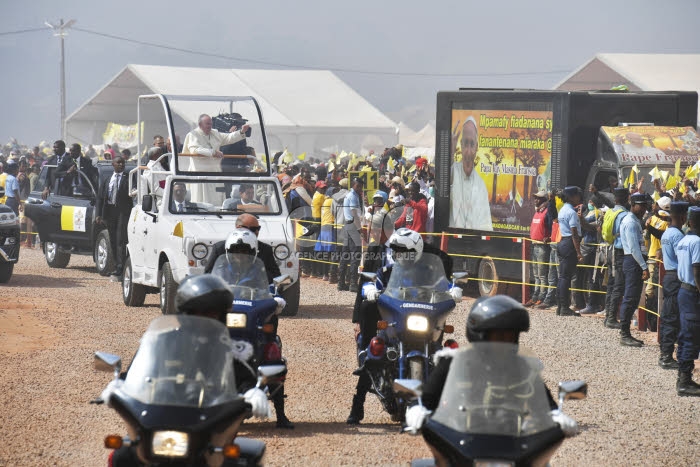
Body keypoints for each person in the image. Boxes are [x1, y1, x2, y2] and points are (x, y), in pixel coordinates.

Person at [404, 296, 578, 463]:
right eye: (498, 336)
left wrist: (557, 416)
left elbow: (545, 406)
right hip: (461, 443)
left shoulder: (522, 368)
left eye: (510, 337)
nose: (504, 343)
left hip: (514, 444)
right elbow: (425, 399)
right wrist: (415, 411)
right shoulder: (452, 363)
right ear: (479, 335)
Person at [346, 228, 457, 425]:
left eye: (401, 250)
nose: (396, 254)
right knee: (373, 355)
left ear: (415, 250)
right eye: (395, 250)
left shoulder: (429, 271)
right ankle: (357, 405)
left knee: (442, 354)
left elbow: (444, 284)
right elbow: (372, 282)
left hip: (424, 318)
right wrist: (370, 290)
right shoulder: (387, 270)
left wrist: (453, 290)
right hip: (395, 320)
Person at [182, 114, 250, 203]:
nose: (210, 126)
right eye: (207, 124)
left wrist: (241, 132)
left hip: (215, 173)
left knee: (217, 200)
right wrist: (213, 152)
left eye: (211, 124)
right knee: (201, 201)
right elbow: (195, 150)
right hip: (200, 175)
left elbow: (228, 138)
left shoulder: (214, 133)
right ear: (200, 125)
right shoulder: (193, 135)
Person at [673, 206, 700, 396]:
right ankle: (684, 381)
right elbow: (697, 270)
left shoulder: (683, 240)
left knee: (685, 335)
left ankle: (683, 378)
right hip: (692, 292)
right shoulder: (697, 242)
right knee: (691, 336)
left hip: (683, 290)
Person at [618, 193, 650, 347]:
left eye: (645, 206)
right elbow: (634, 248)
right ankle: (624, 334)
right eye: (641, 205)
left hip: (634, 261)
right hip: (633, 261)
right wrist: (644, 267)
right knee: (630, 298)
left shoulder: (635, 221)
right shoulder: (630, 222)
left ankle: (626, 333)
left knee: (633, 298)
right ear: (633, 205)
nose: (644, 209)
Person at [658, 201, 688, 370]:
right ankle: (666, 356)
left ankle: (666, 353)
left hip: (669, 275)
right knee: (672, 317)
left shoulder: (667, 233)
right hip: (676, 277)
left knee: (669, 315)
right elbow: (682, 259)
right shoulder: (678, 236)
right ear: (683, 217)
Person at [449, 117, 492, 231]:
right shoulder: (453, 172)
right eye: (465, 143)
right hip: (452, 238)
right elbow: (444, 181)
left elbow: (486, 224)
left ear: (476, 147)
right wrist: (450, 153)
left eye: (472, 144)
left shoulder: (481, 185)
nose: (468, 150)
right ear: (461, 145)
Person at [95, 156, 132, 279]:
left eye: (123, 163)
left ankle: (122, 267)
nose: (121, 165)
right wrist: (99, 214)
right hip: (110, 212)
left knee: (121, 239)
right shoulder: (107, 179)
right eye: (118, 163)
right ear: (113, 164)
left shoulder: (129, 178)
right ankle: (116, 265)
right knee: (112, 239)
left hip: (123, 212)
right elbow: (100, 198)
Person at [602, 188, 631, 329]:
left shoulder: (610, 211)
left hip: (609, 248)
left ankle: (608, 316)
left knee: (611, 285)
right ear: (626, 199)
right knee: (618, 286)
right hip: (619, 251)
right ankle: (612, 318)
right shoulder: (624, 214)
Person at [643, 196, 672, 331]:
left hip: (660, 258)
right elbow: (647, 234)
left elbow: (661, 235)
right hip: (651, 256)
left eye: (656, 204)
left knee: (653, 290)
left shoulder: (667, 223)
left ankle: (654, 322)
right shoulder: (652, 218)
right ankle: (650, 321)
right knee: (649, 291)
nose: (653, 205)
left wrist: (650, 227)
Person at [556, 186, 584, 317]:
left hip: (562, 242)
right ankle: (564, 308)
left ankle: (561, 307)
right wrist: (578, 252)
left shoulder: (562, 210)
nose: (579, 197)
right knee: (566, 277)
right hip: (569, 243)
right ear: (571, 197)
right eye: (577, 195)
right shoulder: (571, 212)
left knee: (562, 277)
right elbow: (574, 234)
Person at [526, 190, 555, 307]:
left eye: (538, 198)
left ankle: (542, 298)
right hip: (535, 245)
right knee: (536, 275)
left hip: (543, 247)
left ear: (543, 200)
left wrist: (549, 237)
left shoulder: (547, 212)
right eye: (535, 198)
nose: (535, 200)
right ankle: (535, 296)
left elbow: (551, 227)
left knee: (542, 275)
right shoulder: (537, 211)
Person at [338, 177, 364, 292]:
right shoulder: (353, 196)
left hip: (347, 226)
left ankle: (341, 283)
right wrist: (360, 230)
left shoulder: (349, 195)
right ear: (353, 185)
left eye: (361, 186)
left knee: (345, 256)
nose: (360, 188)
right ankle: (353, 284)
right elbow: (354, 214)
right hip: (353, 226)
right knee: (355, 256)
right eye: (358, 186)